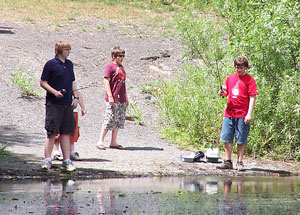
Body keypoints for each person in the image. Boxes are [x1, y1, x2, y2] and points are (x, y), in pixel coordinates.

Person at [40, 40, 79, 172]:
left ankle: (66, 160)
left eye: (69, 49)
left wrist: (76, 97)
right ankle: (47, 159)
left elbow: (73, 82)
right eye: (66, 50)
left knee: (66, 132)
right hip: (53, 103)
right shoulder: (50, 64)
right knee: (51, 132)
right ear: (60, 50)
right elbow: (43, 82)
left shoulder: (69, 64)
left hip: (67, 103)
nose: (68, 52)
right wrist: (55, 92)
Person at [217, 56, 258, 170]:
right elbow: (226, 93)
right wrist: (222, 93)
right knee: (227, 138)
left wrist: (249, 114)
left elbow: (253, 97)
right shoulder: (229, 78)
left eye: (241, 67)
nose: (239, 69)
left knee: (241, 139)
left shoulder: (250, 80)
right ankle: (228, 161)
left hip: (242, 114)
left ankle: (240, 162)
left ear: (245, 67)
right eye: (237, 67)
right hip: (229, 113)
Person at [96, 46, 129, 150]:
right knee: (109, 118)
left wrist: (126, 97)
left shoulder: (121, 67)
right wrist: (110, 96)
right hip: (113, 97)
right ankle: (100, 140)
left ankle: (113, 142)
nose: (121, 58)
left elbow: (123, 84)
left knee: (118, 119)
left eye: (123, 56)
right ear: (114, 56)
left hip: (121, 97)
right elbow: (106, 80)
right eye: (119, 56)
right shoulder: (110, 66)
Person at [53, 90, 86, 161]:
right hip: (58, 108)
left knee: (72, 131)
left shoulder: (72, 82)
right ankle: (56, 151)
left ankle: (71, 151)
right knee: (57, 131)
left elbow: (77, 93)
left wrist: (82, 107)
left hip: (71, 110)